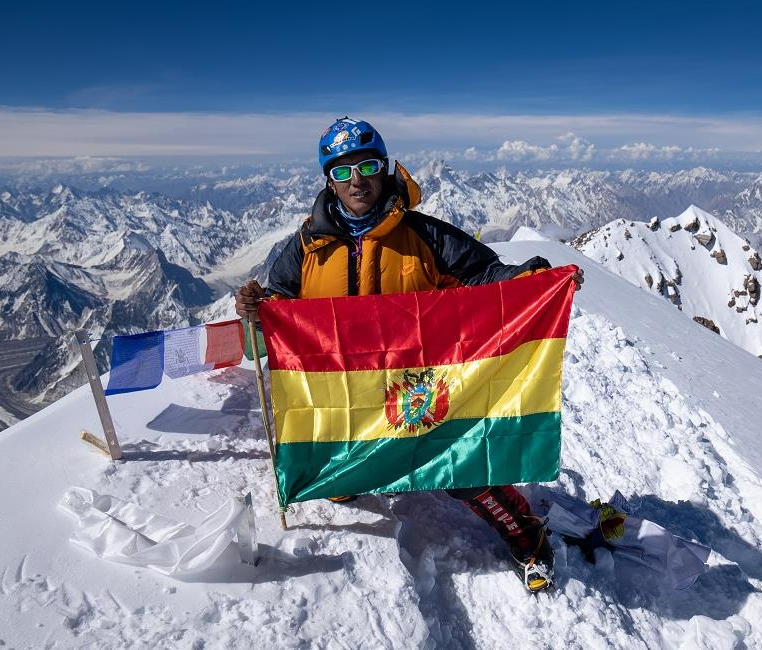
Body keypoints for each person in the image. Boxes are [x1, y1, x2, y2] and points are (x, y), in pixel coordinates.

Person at [235, 117, 584, 592]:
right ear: (328, 179)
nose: (356, 180)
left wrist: (533, 285)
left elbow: (484, 277)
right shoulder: (304, 248)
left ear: (386, 168)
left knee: (462, 463)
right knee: (340, 483)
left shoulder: (425, 236)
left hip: (419, 382)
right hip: (347, 392)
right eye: (342, 171)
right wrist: (258, 311)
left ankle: (524, 533)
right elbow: (281, 307)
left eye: (368, 165)